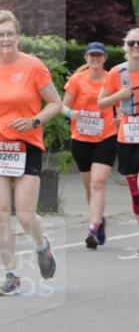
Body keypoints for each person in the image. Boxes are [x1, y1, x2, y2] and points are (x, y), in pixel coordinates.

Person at [0, 10, 62, 296]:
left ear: (18, 37)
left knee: (24, 214)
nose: (5, 39)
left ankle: (42, 244)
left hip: (26, 146)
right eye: (0, 35)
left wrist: (34, 121)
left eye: (10, 34)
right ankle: (11, 275)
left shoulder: (33, 66)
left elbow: (55, 103)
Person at [62, 42, 117, 249]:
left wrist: (120, 116)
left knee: (98, 183)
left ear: (104, 58)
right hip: (81, 139)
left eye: (99, 56)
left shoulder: (112, 77)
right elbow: (62, 106)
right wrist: (71, 114)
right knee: (89, 187)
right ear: (86, 58)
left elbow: (120, 102)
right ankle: (100, 219)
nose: (95, 59)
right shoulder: (77, 80)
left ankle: (93, 227)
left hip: (106, 136)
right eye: (91, 56)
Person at [98, 26, 139, 251]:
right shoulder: (117, 72)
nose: (135, 47)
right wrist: (119, 96)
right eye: (131, 43)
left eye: (138, 43)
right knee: (135, 193)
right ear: (126, 46)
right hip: (128, 136)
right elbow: (101, 102)